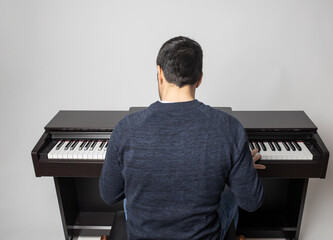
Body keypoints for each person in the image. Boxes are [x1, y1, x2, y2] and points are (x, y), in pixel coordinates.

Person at [99, 36, 265, 240]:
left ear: (159, 73)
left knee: (129, 197)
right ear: (200, 78)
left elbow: (109, 196)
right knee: (230, 194)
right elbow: (251, 201)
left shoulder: (126, 128)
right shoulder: (229, 128)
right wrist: (239, 167)